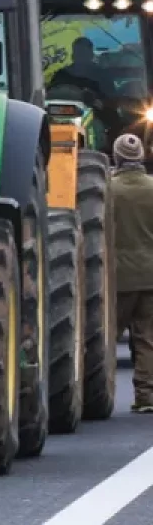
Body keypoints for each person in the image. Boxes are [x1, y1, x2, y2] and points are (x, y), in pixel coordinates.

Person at [108, 133, 153, 414]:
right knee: (147, 339)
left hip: (118, 278)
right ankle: (146, 397)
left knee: (107, 339)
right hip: (150, 276)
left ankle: (96, 394)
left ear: (117, 157)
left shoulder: (108, 190)